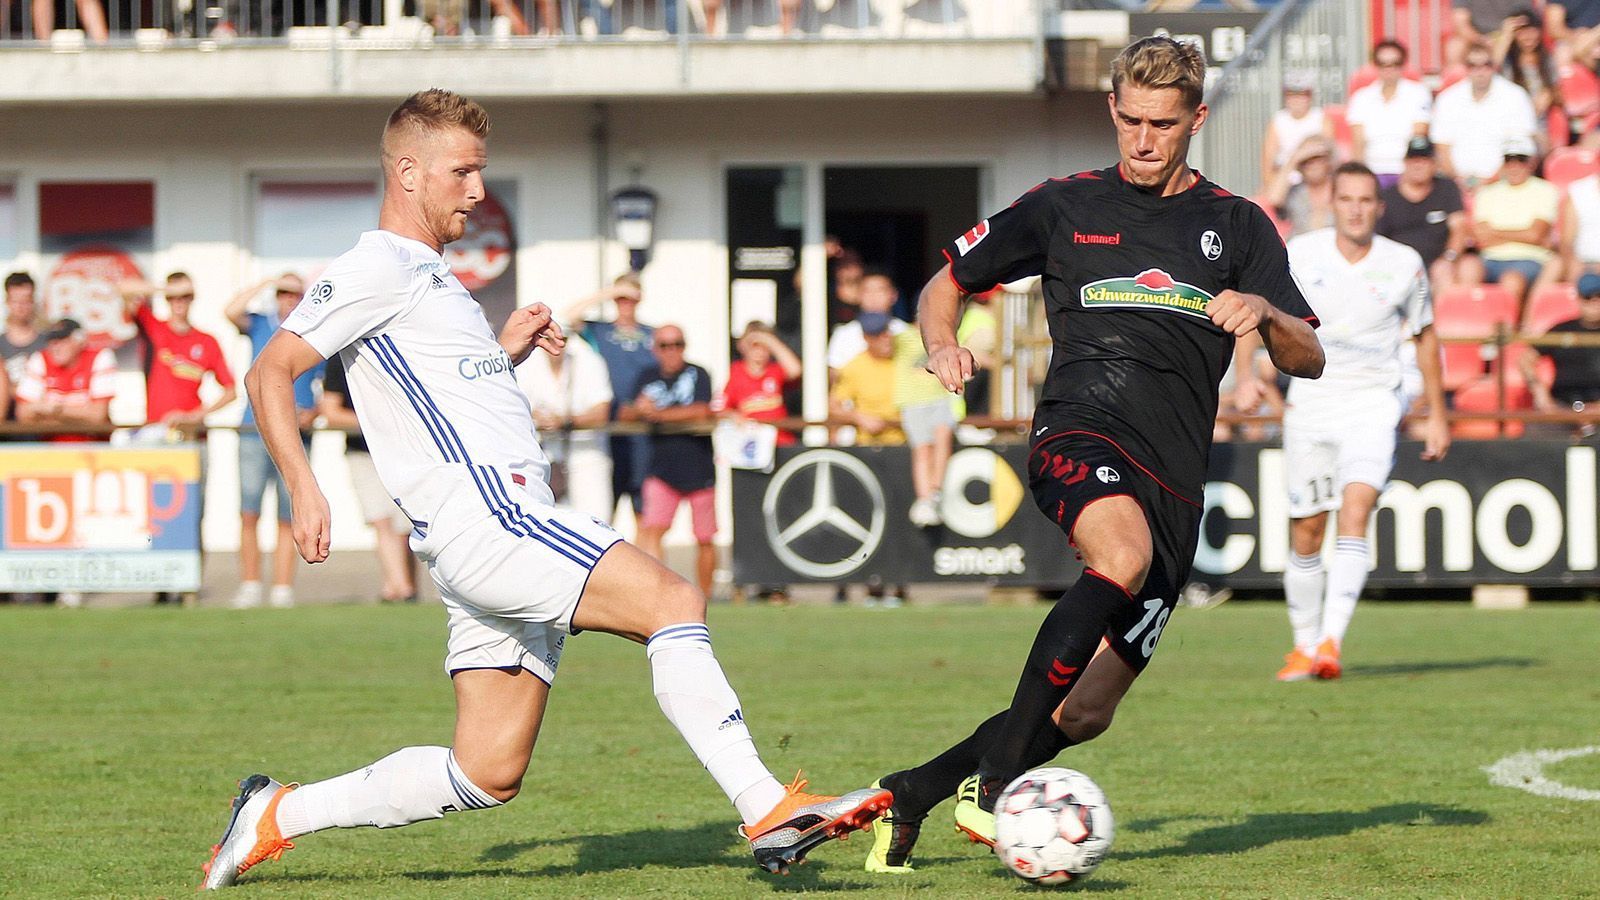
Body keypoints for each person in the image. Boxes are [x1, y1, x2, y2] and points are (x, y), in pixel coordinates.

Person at [201, 89, 887, 891]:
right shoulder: (375, 265)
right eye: (463, 172)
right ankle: (767, 806)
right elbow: (269, 371)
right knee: (672, 600)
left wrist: (504, 354)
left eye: (481, 172)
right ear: (409, 171)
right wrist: (302, 488)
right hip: (493, 518)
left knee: (486, 771)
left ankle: (277, 814)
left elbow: (443, 402)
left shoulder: (431, 277)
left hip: (475, 533)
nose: (477, 191)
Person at [862, 36, 1324, 875]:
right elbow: (947, 282)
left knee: (1085, 714)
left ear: (1196, 121)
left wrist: (1263, 310)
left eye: (1164, 124)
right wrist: (940, 343)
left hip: (1178, 475)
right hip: (1080, 427)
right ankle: (1000, 785)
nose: (1144, 140)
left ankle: (920, 787)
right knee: (1120, 553)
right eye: (1131, 121)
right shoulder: (1064, 204)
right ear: (1113, 111)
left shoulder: (1238, 224)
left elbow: (1308, 357)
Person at [1239, 162, 1450, 683]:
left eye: (1366, 200)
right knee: (1308, 530)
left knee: (1356, 509)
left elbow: (1424, 336)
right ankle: (1303, 646)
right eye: (1347, 199)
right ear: (1332, 203)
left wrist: (1439, 413)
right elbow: (1256, 311)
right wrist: (1245, 376)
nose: (1357, 209)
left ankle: (1331, 642)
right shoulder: (1301, 253)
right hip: (1311, 403)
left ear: (1379, 208)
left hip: (1374, 402)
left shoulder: (1405, 263)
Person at [224, 272, 324, 610]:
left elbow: (326, 387)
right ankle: (250, 584)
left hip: (297, 431)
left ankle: (282, 588)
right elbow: (230, 311)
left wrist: (312, 413)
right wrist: (264, 281)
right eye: (282, 293)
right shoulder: (261, 324)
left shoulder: (314, 332)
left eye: (294, 294)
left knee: (290, 513)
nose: (287, 299)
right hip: (254, 429)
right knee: (249, 512)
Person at [621, 324, 718, 597]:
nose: (672, 351)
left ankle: (707, 596)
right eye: (665, 345)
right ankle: (656, 593)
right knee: (652, 531)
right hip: (661, 467)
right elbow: (626, 413)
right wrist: (641, 410)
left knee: (705, 537)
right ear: (655, 349)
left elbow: (702, 410)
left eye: (677, 344)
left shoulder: (698, 373)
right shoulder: (647, 376)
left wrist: (658, 414)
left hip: (699, 468)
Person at [319, 355, 418, 604]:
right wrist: (378, 425)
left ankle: (397, 586)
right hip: (362, 453)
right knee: (381, 521)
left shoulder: (395, 352)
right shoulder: (339, 360)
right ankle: (401, 587)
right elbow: (331, 411)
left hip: (402, 452)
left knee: (404, 524)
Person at [562, 273, 654, 522]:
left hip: (641, 431)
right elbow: (569, 316)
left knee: (643, 508)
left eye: (630, 299)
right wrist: (608, 293)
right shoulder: (601, 331)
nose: (625, 304)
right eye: (620, 299)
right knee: (605, 505)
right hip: (608, 427)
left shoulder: (651, 334)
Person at [514, 324, 615, 523]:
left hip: (587, 455)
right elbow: (515, 405)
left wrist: (565, 421)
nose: (556, 345)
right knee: (546, 523)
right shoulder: (527, 366)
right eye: (549, 339)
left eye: (562, 340)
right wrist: (539, 417)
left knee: (596, 522)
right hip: (544, 455)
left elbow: (602, 412)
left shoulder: (589, 362)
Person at [123, 272, 238, 432]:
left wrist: (194, 416)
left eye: (185, 296)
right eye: (172, 297)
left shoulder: (207, 341)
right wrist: (166, 289)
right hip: (157, 426)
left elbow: (231, 391)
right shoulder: (154, 328)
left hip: (191, 431)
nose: (178, 301)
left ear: (192, 298)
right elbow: (123, 288)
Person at [1379, 136, 1479, 290]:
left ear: (1434, 164)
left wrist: (1448, 258)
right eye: (1414, 159)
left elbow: (1459, 228)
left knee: (1469, 267)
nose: (1418, 165)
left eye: (1424, 160)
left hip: (1439, 262)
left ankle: (1453, 313)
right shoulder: (1388, 197)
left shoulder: (1447, 189)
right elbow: (1379, 240)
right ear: (1405, 163)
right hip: (1399, 265)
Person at [1432, 42, 1540, 185]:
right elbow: (1442, 147)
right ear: (1466, 68)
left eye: (1486, 65)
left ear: (1494, 66)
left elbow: (1521, 145)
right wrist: (1458, 180)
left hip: (1504, 183)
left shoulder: (1515, 96)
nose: (1480, 71)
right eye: (1473, 65)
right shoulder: (1448, 99)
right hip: (1455, 184)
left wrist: (1490, 181)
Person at [1473, 136, 1560, 308]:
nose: (1514, 166)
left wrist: (1495, 232)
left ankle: (1507, 330)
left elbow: (1535, 234)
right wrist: (1522, 234)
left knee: (1511, 280)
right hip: (1489, 258)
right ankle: (1466, 324)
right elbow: (1481, 237)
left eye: (1521, 160)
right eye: (1509, 160)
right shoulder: (1486, 193)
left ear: (1531, 163)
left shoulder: (1545, 190)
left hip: (1529, 259)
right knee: (1467, 269)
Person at [893, 314, 955, 528]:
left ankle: (934, 493)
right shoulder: (901, 336)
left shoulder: (946, 336)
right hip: (913, 401)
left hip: (940, 398)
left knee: (942, 437)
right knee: (922, 449)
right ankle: (924, 498)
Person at [1346, 41, 1433, 188]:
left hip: (1405, 171)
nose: (1389, 69)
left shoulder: (1418, 93)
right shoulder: (1361, 98)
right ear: (1376, 65)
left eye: (1395, 63)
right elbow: (1358, 144)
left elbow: (1418, 136)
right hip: (1372, 170)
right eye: (1383, 64)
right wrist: (1361, 178)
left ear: (1402, 65)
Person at [15, 318, 115, 444]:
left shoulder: (100, 357)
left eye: (62, 341)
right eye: (52, 342)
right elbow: (24, 415)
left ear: (79, 340)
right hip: (50, 449)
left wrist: (54, 410)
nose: (55, 347)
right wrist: (80, 414)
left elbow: (97, 416)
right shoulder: (40, 359)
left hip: (91, 449)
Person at [1524, 272, 1600, 414]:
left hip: (1597, 408)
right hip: (1562, 405)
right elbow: (1526, 359)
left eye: (1599, 296)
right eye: (1588, 297)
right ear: (1578, 299)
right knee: (1534, 430)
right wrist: (1540, 392)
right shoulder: (1561, 329)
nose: (1595, 302)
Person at [718, 321, 801, 445]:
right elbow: (721, 408)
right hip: (752, 441)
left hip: (780, 438)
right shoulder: (736, 372)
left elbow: (795, 370)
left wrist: (770, 340)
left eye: (764, 346)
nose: (759, 351)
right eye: (754, 345)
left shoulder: (775, 370)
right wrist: (733, 416)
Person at [827, 269, 907, 378]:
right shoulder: (843, 334)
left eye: (880, 290)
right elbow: (834, 375)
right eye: (867, 291)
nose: (873, 297)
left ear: (893, 295)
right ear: (858, 296)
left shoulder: (905, 331)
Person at [1259, 71, 1330, 192]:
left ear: (1309, 96)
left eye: (1302, 95)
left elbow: (1329, 156)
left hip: (1315, 180)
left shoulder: (1321, 119)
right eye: (1292, 95)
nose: (1297, 100)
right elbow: (1267, 164)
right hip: (1286, 182)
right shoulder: (1278, 121)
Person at [1265, 134, 1337, 237]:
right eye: (1306, 161)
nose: (1313, 165)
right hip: (1300, 248)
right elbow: (1273, 199)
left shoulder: (1341, 189)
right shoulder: (1295, 192)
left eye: (1318, 159)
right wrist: (1294, 160)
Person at [2, 272, 47, 416]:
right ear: (7, 302)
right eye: (16, 300)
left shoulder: (48, 344)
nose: (21, 306)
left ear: (34, 302)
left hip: (38, 423)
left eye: (26, 300)